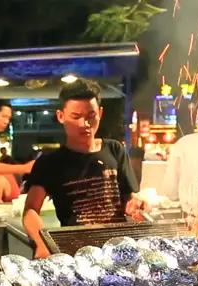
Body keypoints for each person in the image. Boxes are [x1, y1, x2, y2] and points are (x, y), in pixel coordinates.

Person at [23, 78, 147, 259]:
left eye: (91, 116)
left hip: (118, 249)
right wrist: (43, 243)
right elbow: (30, 210)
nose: (85, 124)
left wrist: (136, 205)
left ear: (100, 113)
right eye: (76, 117)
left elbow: (129, 197)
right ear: (61, 116)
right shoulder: (50, 162)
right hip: (76, 252)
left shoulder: (114, 150)